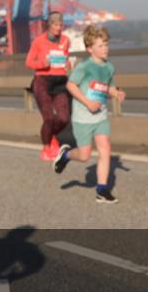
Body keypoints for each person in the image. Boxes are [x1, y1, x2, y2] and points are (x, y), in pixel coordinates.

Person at [53, 25, 125, 203]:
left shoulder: (109, 67)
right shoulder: (84, 67)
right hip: (83, 118)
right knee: (84, 156)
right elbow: (71, 85)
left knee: (105, 149)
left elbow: (108, 86)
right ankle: (65, 155)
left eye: (106, 44)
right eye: (100, 46)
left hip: (100, 116)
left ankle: (102, 190)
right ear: (90, 49)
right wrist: (87, 103)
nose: (105, 49)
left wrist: (116, 93)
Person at [26, 11, 72, 161]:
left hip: (60, 83)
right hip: (42, 82)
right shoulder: (38, 41)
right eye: (56, 25)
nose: (59, 28)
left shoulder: (66, 40)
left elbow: (65, 59)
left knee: (64, 118)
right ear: (49, 25)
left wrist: (68, 66)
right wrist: (42, 64)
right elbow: (28, 62)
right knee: (49, 118)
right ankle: (46, 148)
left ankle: (51, 137)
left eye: (61, 24)